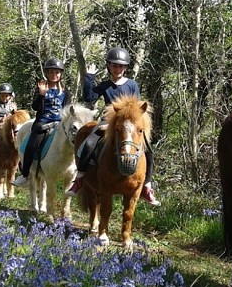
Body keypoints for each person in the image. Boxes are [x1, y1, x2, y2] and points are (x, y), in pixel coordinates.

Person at [66, 47, 161, 206]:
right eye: (114, 66)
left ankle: (146, 186)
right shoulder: (105, 85)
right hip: (107, 122)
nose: (118, 69)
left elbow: (134, 107)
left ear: (125, 68)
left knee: (148, 151)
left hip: (127, 124)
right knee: (89, 144)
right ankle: (80, 178)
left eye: (121, 66)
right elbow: (89, 97)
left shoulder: (132, 84)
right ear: (109, 66)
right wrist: (89, 78)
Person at [12, 58, 72, 186]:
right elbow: (35, 107)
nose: (54, 75)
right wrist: (41, 95)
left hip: (59, 123)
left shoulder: (65, 91)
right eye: (51, 72)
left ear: (61, 74)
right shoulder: (42, 87)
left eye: (57, 72)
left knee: (74, 139)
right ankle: (25, 174)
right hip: (43, 122)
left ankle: (76, 173)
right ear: (47, 73)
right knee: (31, 145)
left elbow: (67, 109)